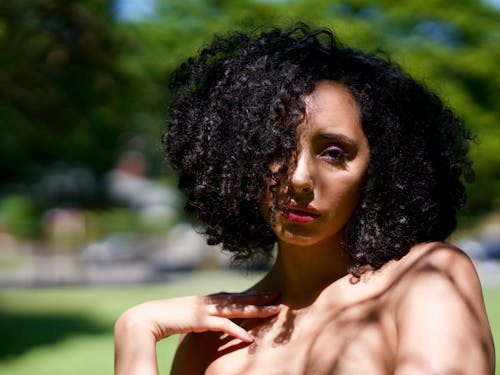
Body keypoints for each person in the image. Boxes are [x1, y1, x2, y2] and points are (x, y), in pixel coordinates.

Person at [114, 23, 495, 374]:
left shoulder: (426, 277)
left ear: (380, 169)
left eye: (334, 152)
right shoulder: (211, 338)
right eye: (274, 146)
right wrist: (136, 331)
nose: (298, 178)